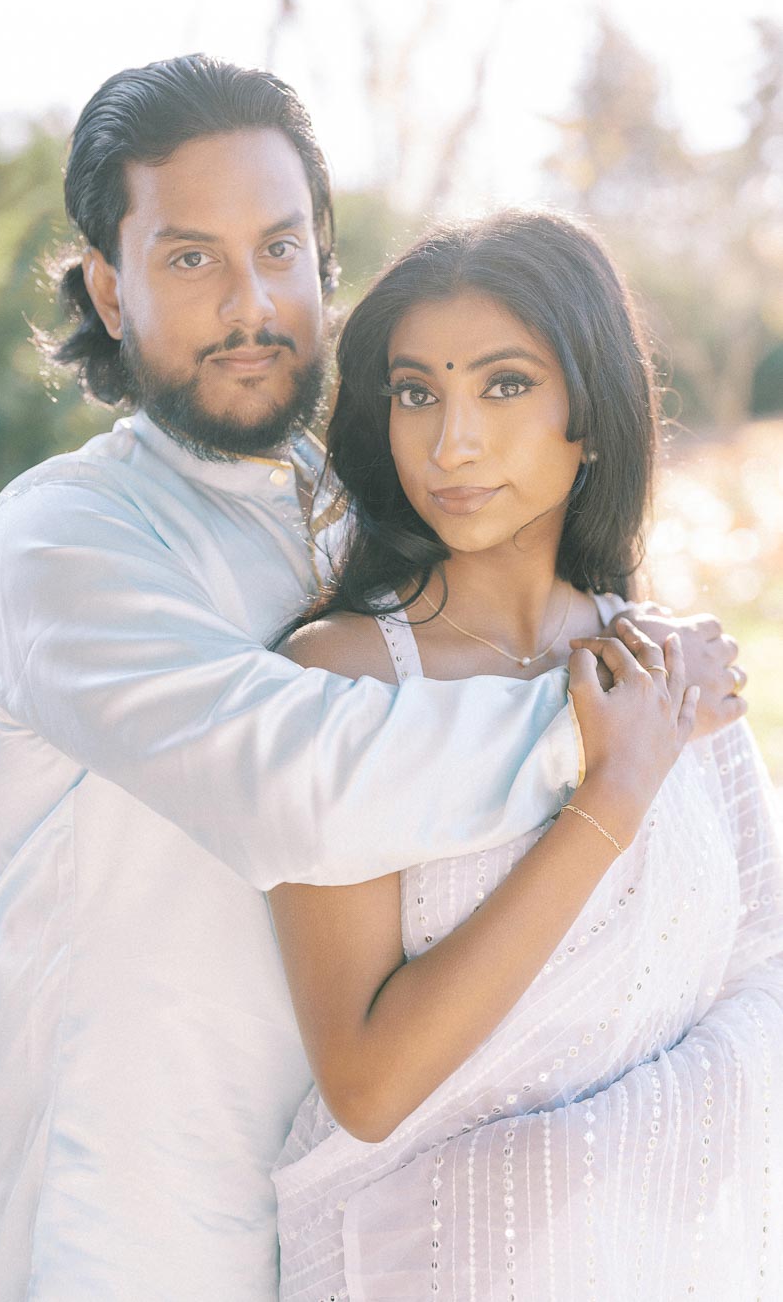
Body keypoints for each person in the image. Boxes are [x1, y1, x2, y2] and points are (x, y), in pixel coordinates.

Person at [0, 57, 742, 1301]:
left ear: (325, 261)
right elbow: (300, 777)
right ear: (108, 289)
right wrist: (612, 729)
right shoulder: (64, 541)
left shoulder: (367, 518)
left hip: (358, 1232)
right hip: (140, 1233)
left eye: (280, 249)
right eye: (189, 259)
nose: (249, 301)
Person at [268, 211, 781, 1301]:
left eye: (504, 385)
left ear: (588, 416)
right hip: (427, 1263)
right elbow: (367, 1084)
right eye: (417, 393)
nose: (452, 442)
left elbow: (763, 978)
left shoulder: (670, 672)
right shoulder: (342, 683)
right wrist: (611, 799)